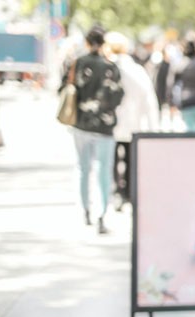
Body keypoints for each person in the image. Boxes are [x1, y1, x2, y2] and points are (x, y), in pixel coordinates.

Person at [62, 26, 124, 234]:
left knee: (83, 168)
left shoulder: (77, 63)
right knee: (104, 170)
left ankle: (85, 210)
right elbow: (117, 96)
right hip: (104, 126)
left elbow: (66, 88)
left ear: (87, 43)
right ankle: (101, 213)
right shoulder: (110, 67)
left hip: (81, 123)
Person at [104, 31, 159, 211]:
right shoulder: (136, 69)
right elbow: (149, 98)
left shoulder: (107, 68)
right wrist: (153, 126)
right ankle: (127, 191)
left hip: (111, 123)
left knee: (111, 159)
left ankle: (116, 191)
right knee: (129, 158)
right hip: (133, 122)